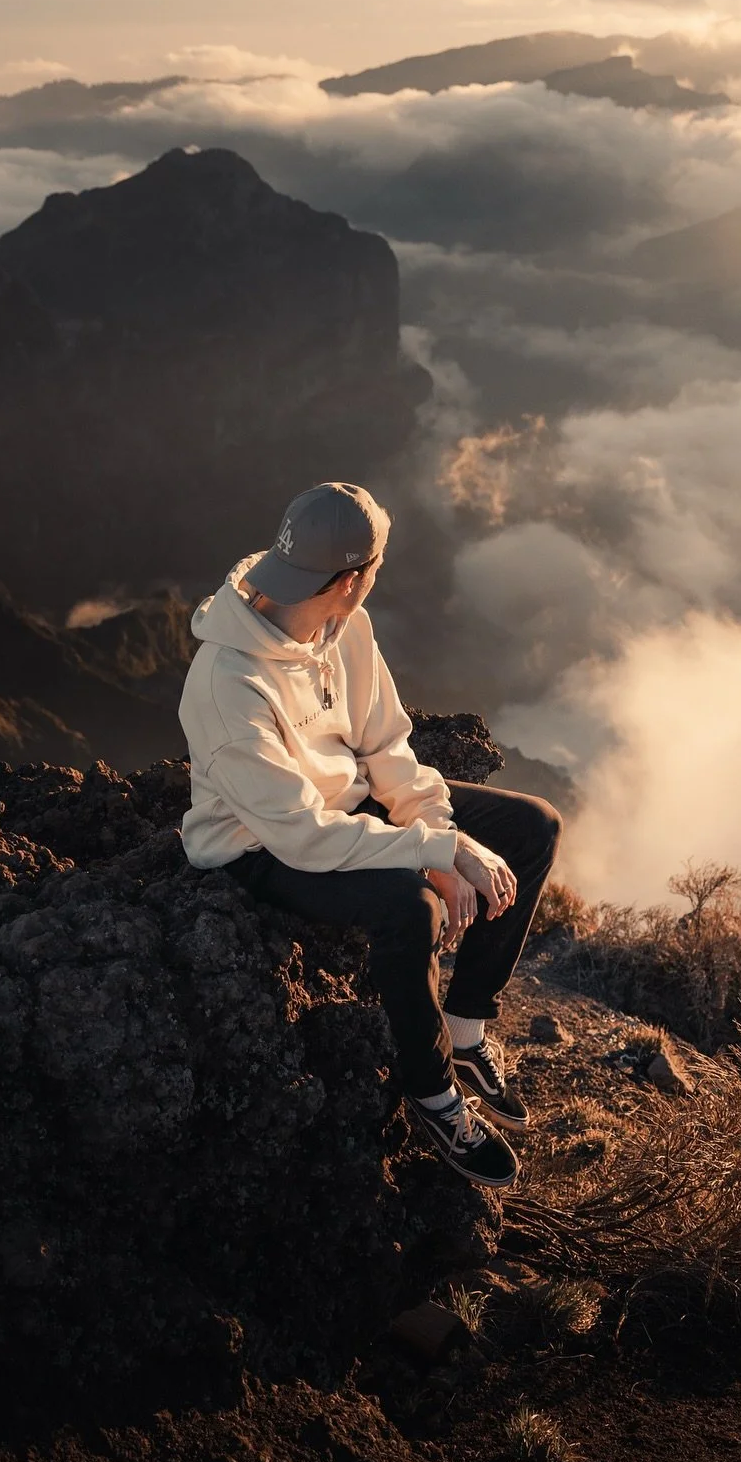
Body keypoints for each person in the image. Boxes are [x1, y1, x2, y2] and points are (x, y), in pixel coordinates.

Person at [178, 480, 562, 1188]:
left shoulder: (341, 626)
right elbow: (302, 838)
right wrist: (434, 855)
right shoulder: (226, 686)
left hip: (346, 808)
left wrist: (437, 828)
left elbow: (385, 745)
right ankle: (433, 1092)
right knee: (407, 908)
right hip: (260, 848)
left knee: (532, 826)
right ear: (354, 577)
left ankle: (467, 1028)